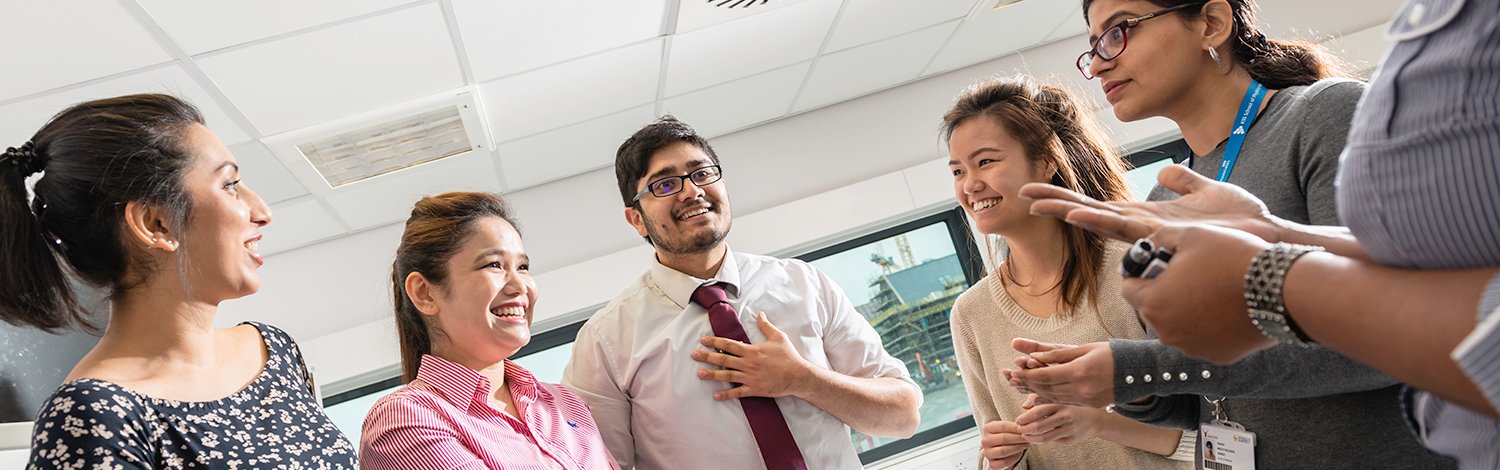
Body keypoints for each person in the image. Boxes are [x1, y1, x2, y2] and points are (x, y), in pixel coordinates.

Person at [1018, 1, 1500, 466]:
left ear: (1210, 22)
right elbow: (1202, 400)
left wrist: (1141, 365)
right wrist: (1131, 388)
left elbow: (1387, 337)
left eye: (1118, 31)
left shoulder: (1320, 116)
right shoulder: (1168, 203)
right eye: (1094, 46)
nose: (1100, 64)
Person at [0, 94, 357, 468]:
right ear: (156, 223)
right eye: (230, 184)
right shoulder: (92, 417)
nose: (262, 212)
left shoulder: (275, 351)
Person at [561, 116, 922, 470]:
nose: (691, 191)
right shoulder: (604, 342)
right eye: (666, 184)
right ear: (636, 218)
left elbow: (903, 416)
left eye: (701, 173)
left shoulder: (803, 284)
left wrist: (804, 379)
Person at [942, 76, 1192, 470]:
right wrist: (999, 461)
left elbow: (1215, 427)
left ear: (1046, 163)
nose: (971, 184)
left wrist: (1098, 422)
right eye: (958, 171)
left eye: (985, 161)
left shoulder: (1138, 265)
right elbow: (995, 446)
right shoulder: (970, 315)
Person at [360, 192, 618, 469]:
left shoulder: (564, 403)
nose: (520, 285)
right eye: (494, 265)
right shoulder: (405, 419)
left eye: (523, 266)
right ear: (424, 293)